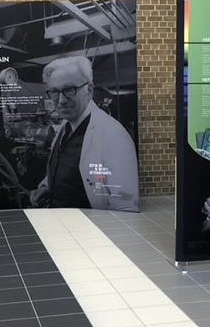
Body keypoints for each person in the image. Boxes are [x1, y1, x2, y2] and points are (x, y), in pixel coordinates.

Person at [30, 56, 138, 211]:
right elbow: (64, 167)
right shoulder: (66, 126)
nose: (61, 100)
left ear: (89, 90)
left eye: (69, 90)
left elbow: (125, 203)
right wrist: (45, 187)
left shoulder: (113, 137)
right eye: (54, 91)